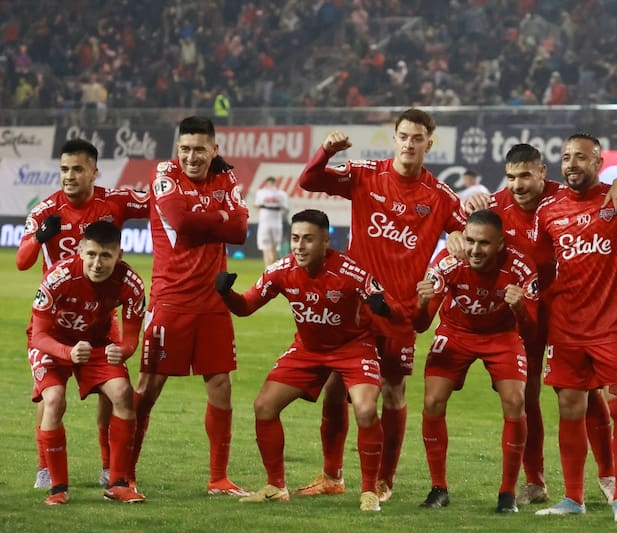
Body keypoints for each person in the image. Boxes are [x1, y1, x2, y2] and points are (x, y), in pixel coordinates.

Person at [297, 108, 467, 502]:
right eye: (403, 136)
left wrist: (458, 239)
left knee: (393, 390)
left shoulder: (440, 197)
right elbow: (309, 180)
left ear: (429, 142)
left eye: (417, 137)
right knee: (336, 387)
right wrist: (324, 151)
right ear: (394, 138)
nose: (409, 143)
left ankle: (384, 480)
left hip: (400, 312)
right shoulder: (365, 173)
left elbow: (469, 233)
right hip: (354, 307)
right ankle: (332, 475)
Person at [464, 143, 617, 505]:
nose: (519, 185)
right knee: (527, 396)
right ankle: (535, 482)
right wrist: (452, 232)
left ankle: (607, 474)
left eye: (526, 175)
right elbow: (464, 229)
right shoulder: (495, 206)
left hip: (563, 312)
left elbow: (612, 192)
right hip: (521, 313)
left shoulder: (564, 197)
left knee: (586, 393)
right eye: (512, 177)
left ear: (543, 172)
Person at [216, 209, 405, 512]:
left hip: (353, 347)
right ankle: (276, 486)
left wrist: (383, 307)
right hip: (308, 349)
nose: (299, 246)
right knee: (264, 406)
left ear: (326, 241)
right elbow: (246, 306)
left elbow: (394, 309)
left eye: (308, 239)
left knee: (366, 409)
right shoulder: (281, 270)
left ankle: (369, 491)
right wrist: (227, 294)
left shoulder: (351, 272)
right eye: (294, 239)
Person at [16, 138, 149, 490]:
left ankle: (110, 466)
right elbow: (22, 261)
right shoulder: (46, 210)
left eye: (77, 169)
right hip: (54, 322)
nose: (69, 176)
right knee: (51, 396)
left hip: (100, 324)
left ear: (93, 171)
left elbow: (161, 202)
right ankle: (46, 467)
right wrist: (38, 237)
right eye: (64, 170)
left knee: (114, 392)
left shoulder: (113, 202)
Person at [129, 116, 249, 496]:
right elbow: (180, 220)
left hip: (214, 301)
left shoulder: (225, 178)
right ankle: (122, 474)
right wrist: (221, 217)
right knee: (148, 388)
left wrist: (209, 219)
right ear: (176, 149)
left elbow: (241, 231)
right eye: (185, 149)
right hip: (172, 300)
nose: (191, 157)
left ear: (215, 150)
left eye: (199, 149)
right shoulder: (164, 174)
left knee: (221, 387)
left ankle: (218, 478)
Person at [533, 133, 617, 523]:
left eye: (580, 157)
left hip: (612, 329)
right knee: (569, 409)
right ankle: (573, 498)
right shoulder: (548, 211)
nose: (571, 164)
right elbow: (540, 268)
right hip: (566, 330)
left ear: (599, 161)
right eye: (565, 157)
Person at [415, 209, 539, 513]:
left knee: (515, 402)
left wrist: (520, 307)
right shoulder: (447, 261)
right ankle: (438, 488)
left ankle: (507, 494)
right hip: (456, 332)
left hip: (502, 336)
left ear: (500, 244)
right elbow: (420, 324)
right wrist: (420, 302)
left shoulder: (521, 267)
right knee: (432, 401)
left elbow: (532, 332)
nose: (473, 249)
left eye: (483, 243)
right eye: (469, 241)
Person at [29, 221, 145, 505]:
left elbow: (131, 339)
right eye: (91, 254)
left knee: (122, 394)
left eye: (106, 256)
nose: (97, 263)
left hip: (96, 343)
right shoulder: (58, 277)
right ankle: (57, 489)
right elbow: (39, 334)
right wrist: (66, 352)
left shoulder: (131, 283)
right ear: (80, 250)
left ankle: (118, 483)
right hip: (53, 343)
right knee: (54, 400)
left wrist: (124, 351)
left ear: (119, 254)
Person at [254, 176, 290, 267]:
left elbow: (257, 206)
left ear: (267, 183)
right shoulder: (282, 194)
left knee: (266, 249)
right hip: (277, 223)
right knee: (274, 249)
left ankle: (268, 271)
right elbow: (285, 209)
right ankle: (274, 270)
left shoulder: (261, 193)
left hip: (265, 223)